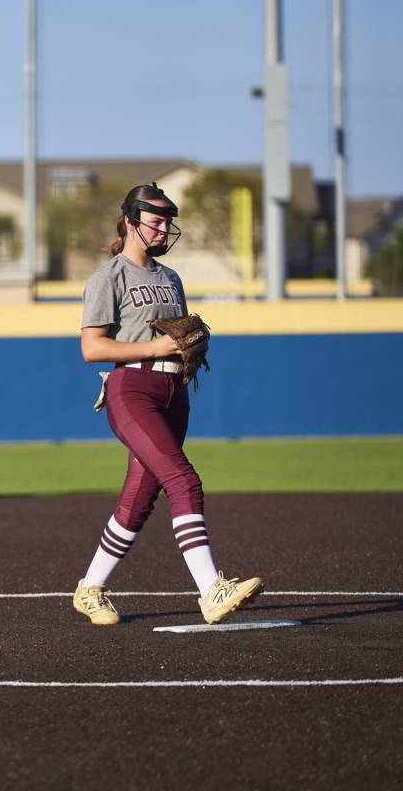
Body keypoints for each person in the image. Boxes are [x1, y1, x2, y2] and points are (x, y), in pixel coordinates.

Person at [73, 183, 262, 626]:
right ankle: (211, 589)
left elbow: (177, 340)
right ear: (130, 221)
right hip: (132, 390)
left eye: (166, 222)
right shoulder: (108, 277)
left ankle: (89, 588)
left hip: (174, 393)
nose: (163, 229)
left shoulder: (170, 278)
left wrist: (188, 348)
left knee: (139, 501)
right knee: (184, 480)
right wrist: (157, 345)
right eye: (155, 221)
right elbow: (91, 348)